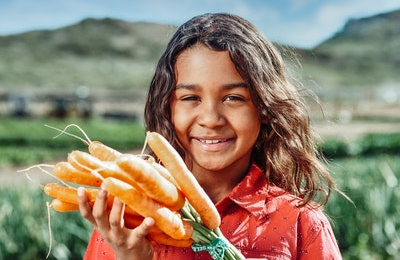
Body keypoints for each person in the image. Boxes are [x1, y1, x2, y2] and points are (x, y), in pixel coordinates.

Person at [78, 13, 342, 259]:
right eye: (191, 98)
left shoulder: (300, 222)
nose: (211, 119)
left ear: (263, 107)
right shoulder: (123, 220)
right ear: (168, 108)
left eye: (233, 98)